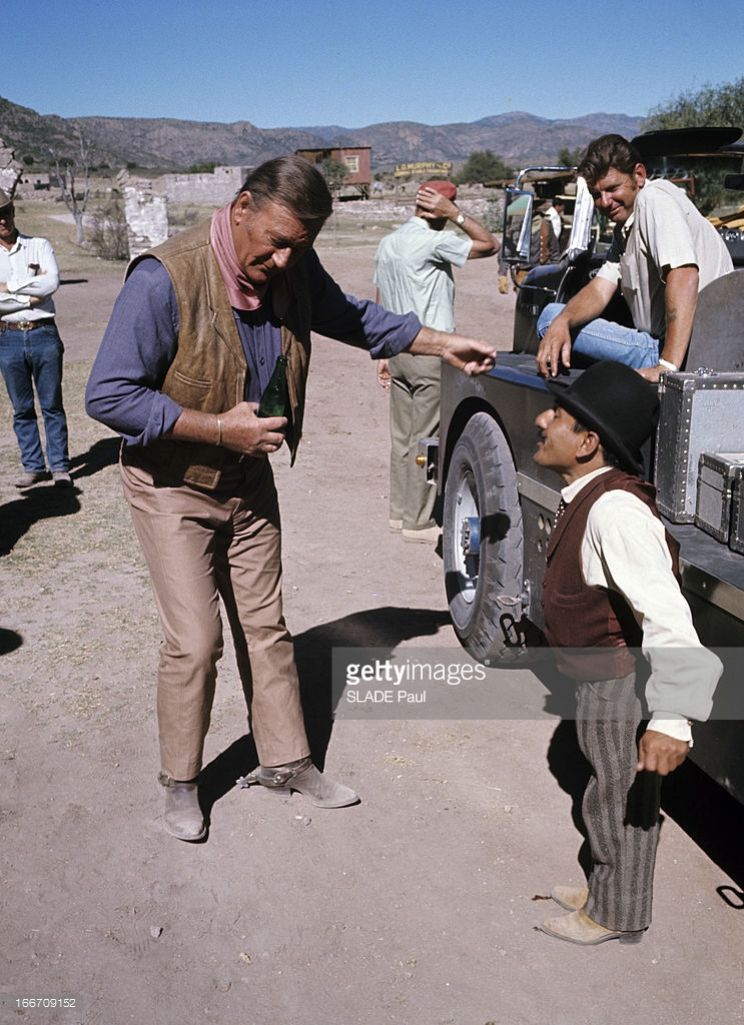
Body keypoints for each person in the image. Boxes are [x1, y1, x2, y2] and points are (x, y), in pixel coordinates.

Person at [85, 156, 497, 842]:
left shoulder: (293, 266)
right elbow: (109, 395)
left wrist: (442, 340)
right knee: (195, 641)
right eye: (273, 241)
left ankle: (287, 761)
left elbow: (354, 317)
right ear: (240, 206)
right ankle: (181, 784)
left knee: (267, 627)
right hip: (171, 486)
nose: (280, 261)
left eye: (296, 248)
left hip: (248, 482)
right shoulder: (165, 278)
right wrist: (220, 427)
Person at [532, 360, 721, 945]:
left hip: (616, 681)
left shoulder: (615, 512)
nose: (542, 420)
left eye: (557, 417)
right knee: (605, 788)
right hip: (598, 678)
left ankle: (617, 913)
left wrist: (671, 718)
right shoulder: (593, 496)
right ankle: (607, 886)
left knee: (621, 798)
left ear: (588, 442)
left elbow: (669, 618)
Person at [536, 134, 733, 383]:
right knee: (557, 319)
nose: (605, 202)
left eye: (612, 188)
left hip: (681, 352)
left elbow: (684, 276)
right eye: (597, 195)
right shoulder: (625, 227)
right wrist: (564, 321)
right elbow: (600, 289)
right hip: (698, 345)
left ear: (638, 175)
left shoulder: (654, 200)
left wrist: (667, 366)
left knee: (546, 318)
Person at [374, 180, 497, 542]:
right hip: (429, 350)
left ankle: (399, 513)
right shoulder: (434, 240)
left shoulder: (388, 243)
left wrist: (381, 352)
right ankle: (419, 520)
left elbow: (379, 295)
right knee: (426, 438)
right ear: (441, 207)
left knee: (402, 437)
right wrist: (456, 215)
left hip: (396, 347)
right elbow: (490, 245)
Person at [0, 189, 71, 488]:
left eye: (5, 213)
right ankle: (33, 466)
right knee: (22, 407)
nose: (1, 220)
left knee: (52, 403)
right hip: (8, 337)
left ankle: (60, 468)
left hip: (43, 333)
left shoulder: (39, 245)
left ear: (14, 212)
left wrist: (9, 288)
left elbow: (51, 281)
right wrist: (31, 296)